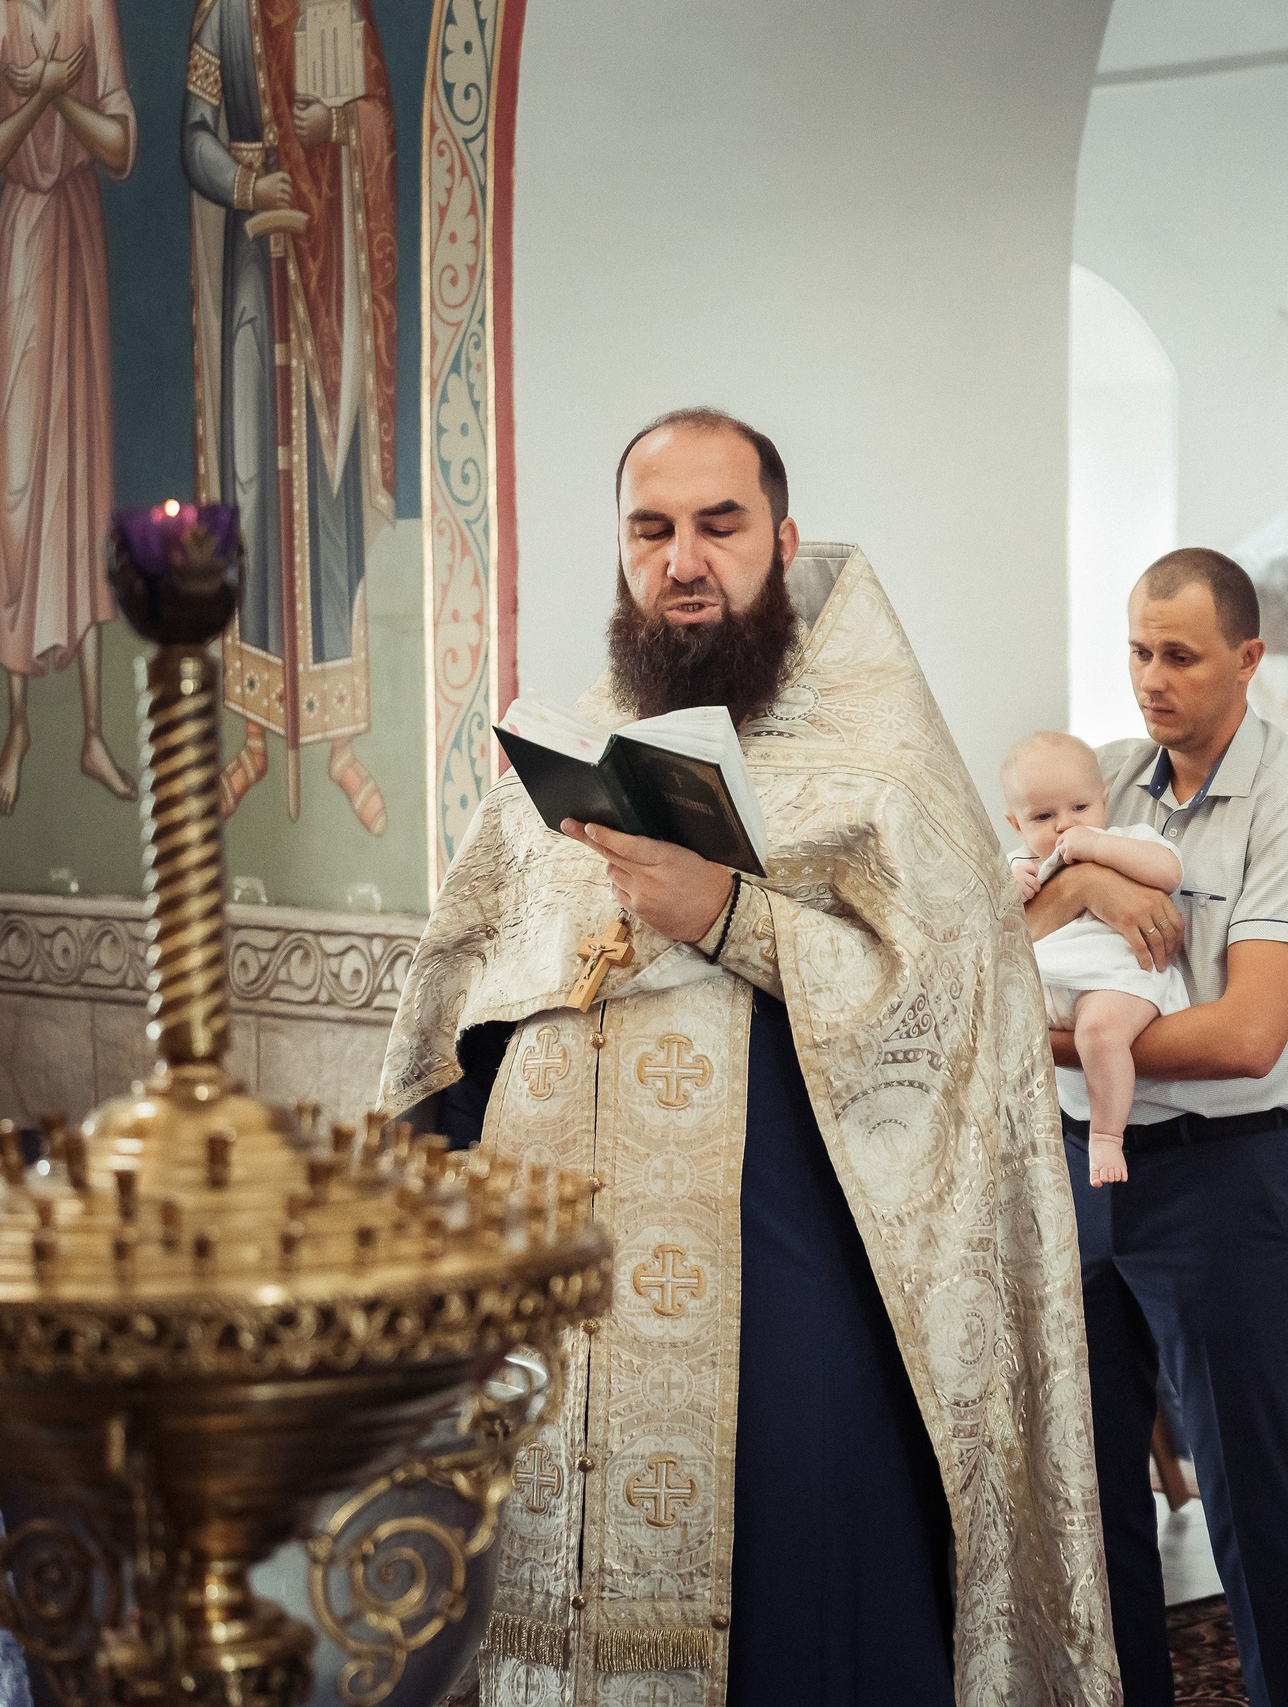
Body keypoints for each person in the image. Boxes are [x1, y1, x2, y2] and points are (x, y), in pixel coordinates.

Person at [380, 409, 1117, 1707]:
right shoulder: (555, 757)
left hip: (788, 1281)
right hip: (554, 1310)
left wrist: (723, 913)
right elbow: (459, 991)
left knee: (799, 1602)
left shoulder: (882, 768)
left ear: (781, 542)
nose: (683, 559)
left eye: (718, 526)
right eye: (651, 529)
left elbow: (956, 1012)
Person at [1026, 547, 1288, 1707]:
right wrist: (1090, 885)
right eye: (1135, 651)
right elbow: (986, 924)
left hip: (1217, 1182)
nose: (1150, 680)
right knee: (1095, 1496)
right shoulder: (1101, 782)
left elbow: (1242, 1036)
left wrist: (1047, 1041)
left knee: (1246, 1497)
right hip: (1075, 1174)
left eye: (1179, 655)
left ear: (1248, 659)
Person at [184, 0, 394, 830]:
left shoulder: (339, 7)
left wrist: (337, 122)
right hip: (251, 273)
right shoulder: (222, 16)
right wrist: (245, 182)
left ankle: (340, 744)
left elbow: (377, 112)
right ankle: (256, 737)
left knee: (328, 489)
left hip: (327, 272)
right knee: (249, 483)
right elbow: (192, 137)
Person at [0, 0, 137, 816]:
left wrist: (65, 97)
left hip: (74, 239)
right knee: (15, 489)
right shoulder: (0, 13)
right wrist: (39, 98)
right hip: (20, 246)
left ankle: (95, 731)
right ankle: (19, 723)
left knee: (79, 481)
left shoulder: (91, 8)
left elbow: (121, 148)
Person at [1003, 729, 1192, 1185]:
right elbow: (990, 933)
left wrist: (1099, 849)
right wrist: (1010, 888)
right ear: (1017, 825)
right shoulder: (1020, 863)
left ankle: (1107, 1135)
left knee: (1101, 1036)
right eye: (1043, 816)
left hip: (1116, 980)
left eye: (1080, 809)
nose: (1065, 825)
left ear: (1104, 801)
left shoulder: (1127, 840)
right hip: (1050, 986)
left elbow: (1169, 871)